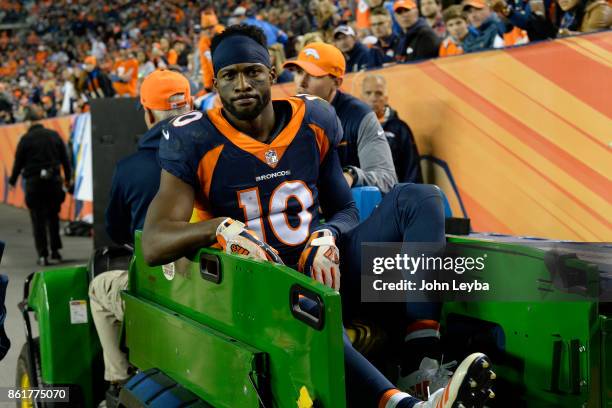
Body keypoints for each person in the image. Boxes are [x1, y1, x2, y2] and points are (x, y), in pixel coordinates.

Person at [143, 24, 494, 408]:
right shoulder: (194, 138)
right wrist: (219, 227)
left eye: (253, 72)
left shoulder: (313, 119)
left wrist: (327, 234)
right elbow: (154, 242)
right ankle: (405, 405)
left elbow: (343, 207)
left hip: (325, 264)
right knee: (316, 312)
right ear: (215, 83)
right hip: (263, 291)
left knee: (420, 197)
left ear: (272, 74)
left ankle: (420, 360)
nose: (242, 84)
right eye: (229, 75)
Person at [88, 69, 193, 405]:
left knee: (96, 289)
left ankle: (118, 379)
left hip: (161, 291)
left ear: (148, 114)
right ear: (190, 104)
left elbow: (117, 231)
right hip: (215, 292)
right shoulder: (221, 151)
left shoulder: (131, 168)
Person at [284, 42, 398, 193]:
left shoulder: (359, 116)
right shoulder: (286, 116)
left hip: (352, 210)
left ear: (336, 82)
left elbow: (387, 179)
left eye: (312, 75)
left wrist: (352, 176)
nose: (302, 83)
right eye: (298, 72)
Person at [8, 105, 72, 266]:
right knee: (53, 217)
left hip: (34, 184)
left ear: (29, 122)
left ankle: (43, 255)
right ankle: (56, 251)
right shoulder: (54, 135)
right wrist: (68, 179)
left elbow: (18, 163)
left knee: (38, 220)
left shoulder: (25, 139)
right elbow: (65, 159)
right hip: (53, 183)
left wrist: (12, 181)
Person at [361, 74, 422, 184]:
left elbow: (411, 171)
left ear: (386, 98)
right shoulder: (351, 127)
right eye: (368, 93)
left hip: (393, 196)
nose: (373, 98)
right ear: (361, 97)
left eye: (378, 93)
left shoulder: (400, 129)